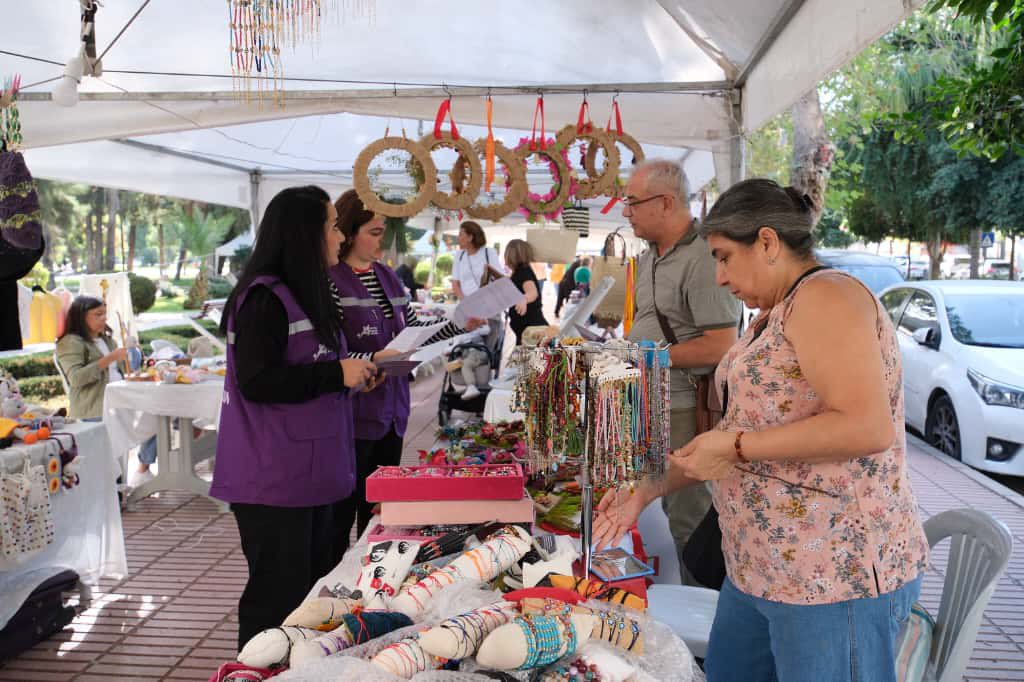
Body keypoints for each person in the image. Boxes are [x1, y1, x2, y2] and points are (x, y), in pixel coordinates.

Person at [595, 178, 928, 682]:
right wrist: (647, 489)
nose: (721, 277)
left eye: (724, 257)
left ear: (767, 242)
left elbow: (865, 426)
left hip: (832, 576)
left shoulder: (827, 296)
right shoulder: (775, 313)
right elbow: (735, 436)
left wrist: (735, 445)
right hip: (759, 568)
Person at [211, 186, 377, 651]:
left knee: (313, 600)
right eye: (332, 226)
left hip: (317, 475)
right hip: (274, 481)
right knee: (276, 601)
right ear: (305, 234)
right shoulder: (263, 299)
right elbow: (257, 380)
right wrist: (335, 374)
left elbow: (313, 369)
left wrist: (352, 377)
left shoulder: (308, 294)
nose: (340, 236)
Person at [328, 190, 485, 551]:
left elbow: (414, 330)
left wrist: (458, 324)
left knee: (381, 509)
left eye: (383, 232)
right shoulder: (331, 281)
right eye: (374, 232)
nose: (381, 242)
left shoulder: (387, 275)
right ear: (348, 232)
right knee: (341, 515)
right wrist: (372, 357)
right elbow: (331, 352)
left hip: (392, 412)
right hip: (353, 415)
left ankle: (371, 567)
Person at [622, 159, 740, 586]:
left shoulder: (703, 258)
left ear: (666, 203)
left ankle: (704, 614)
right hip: (651, 403)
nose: (626, 212)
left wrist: (651, 357)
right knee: (665, 510)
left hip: (685, 408)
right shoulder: (651, 257)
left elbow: (722, 345)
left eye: (633, 202)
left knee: (690, 519)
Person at [56, 296, 158, 487]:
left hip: (120, 401)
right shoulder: (71, 342)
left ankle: (143, 468)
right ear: (81, 316)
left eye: (104, 313)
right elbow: (76, 379)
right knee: (156, 417)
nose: (104, 318)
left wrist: (132, 356)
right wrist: (110, 358)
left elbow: (123, 370)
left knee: (159, 415)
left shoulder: (106, 339)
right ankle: (116, 487)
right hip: (95, 408)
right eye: (98, 314)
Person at [504, 239, 548, 346]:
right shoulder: (520, 271)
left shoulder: (523, 273)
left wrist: (524, 298)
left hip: (533, 334)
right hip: (528, 333)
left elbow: (532, 292)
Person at [451, 221, 501, 300]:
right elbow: (455, 283)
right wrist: (464, 300)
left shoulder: (489, 252)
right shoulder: (459, 255)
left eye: (460, 234)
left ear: (470, 237)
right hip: (467, 303)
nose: (458, 238)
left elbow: (500, 278)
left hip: (487, 302)